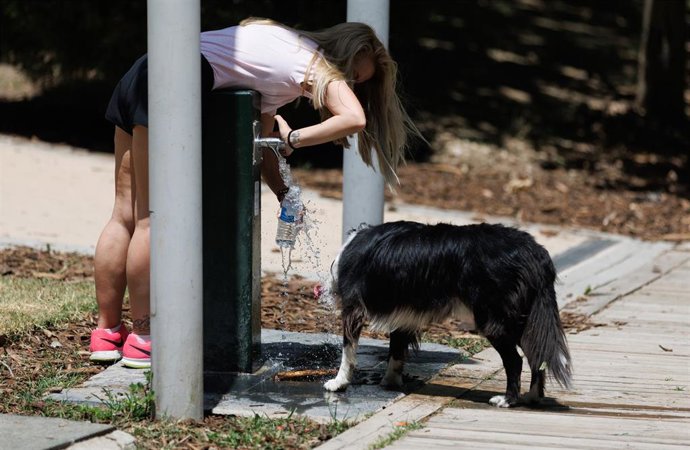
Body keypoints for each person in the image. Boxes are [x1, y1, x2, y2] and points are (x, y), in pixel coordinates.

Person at [89, 17, 422, 368]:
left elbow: (260, 149)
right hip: (170, 80)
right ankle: (142, 339)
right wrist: (295, 138)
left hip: (145, 69)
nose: (350, 85)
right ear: (344, 57)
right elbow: (354, 118)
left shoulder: (280, 55)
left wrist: (284, 193)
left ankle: (107, 333)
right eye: (354, 76)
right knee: (149, 220)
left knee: (123, 214)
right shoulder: (311, 64)